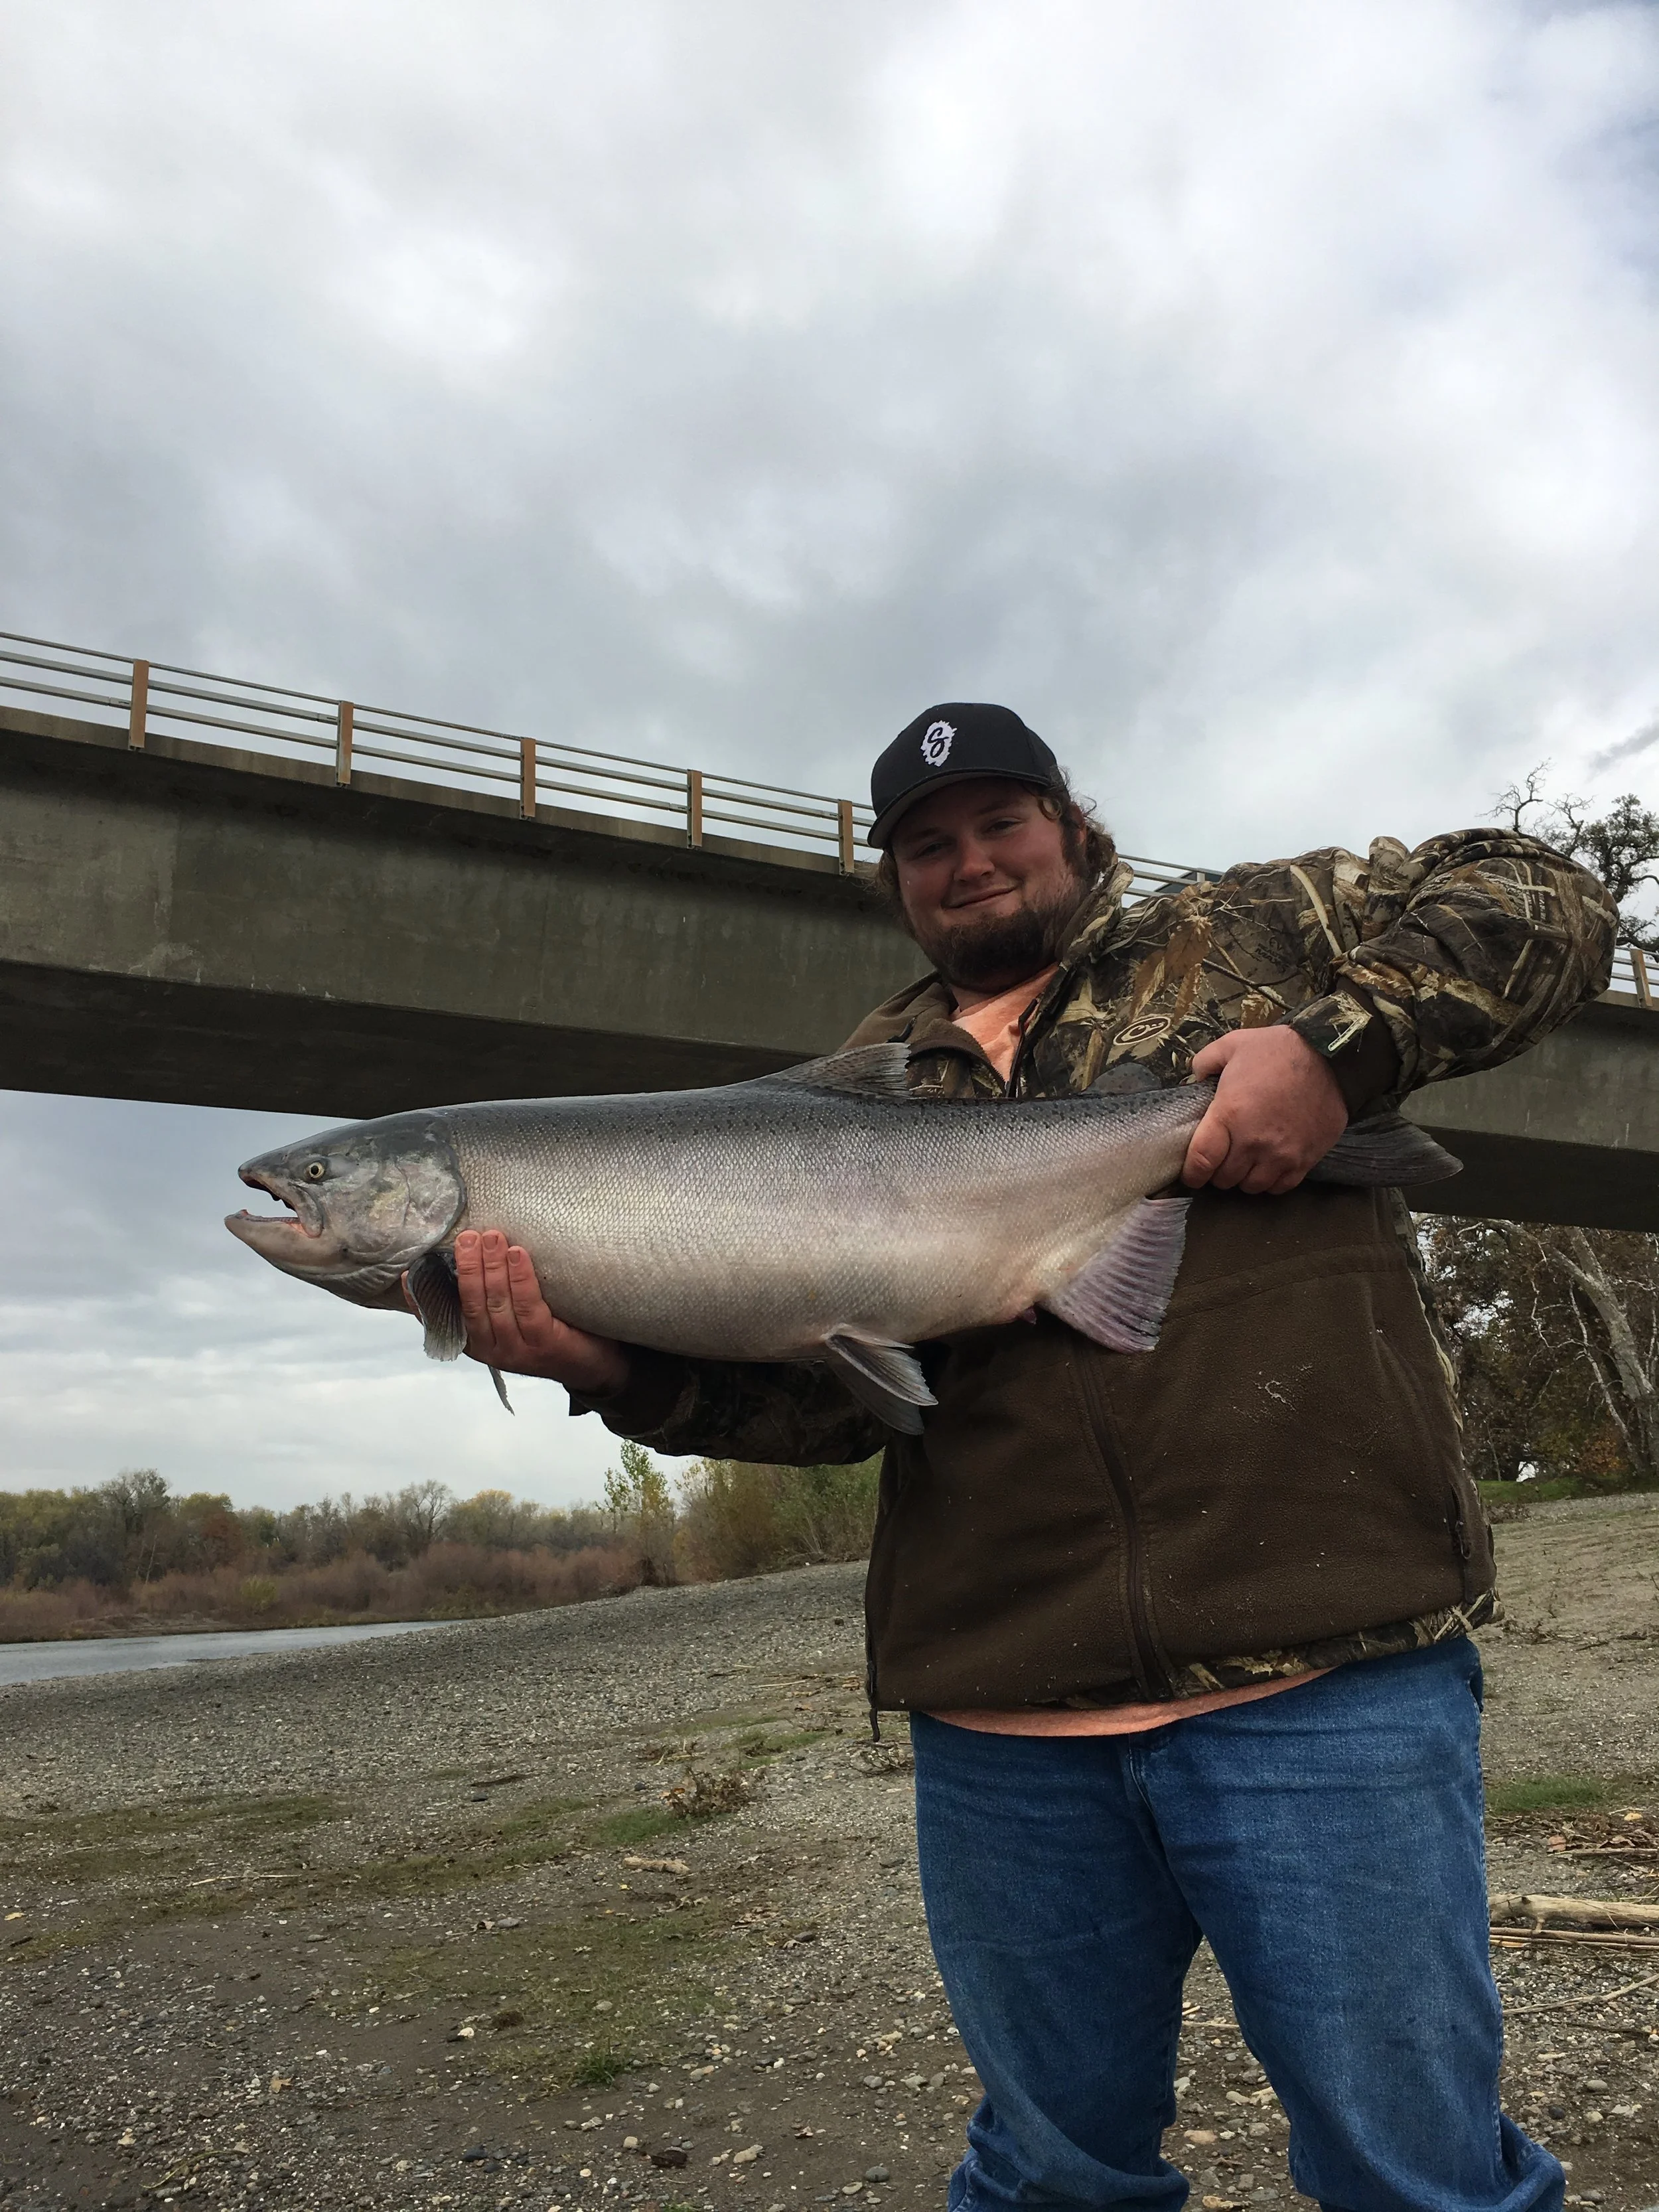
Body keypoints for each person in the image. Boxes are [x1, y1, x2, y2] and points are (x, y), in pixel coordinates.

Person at [440, 703, 1616, 2212]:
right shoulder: (854, 1088)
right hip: (1004, 1716)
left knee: (1419, 2177)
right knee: (1053, 2177)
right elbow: (834, 1408)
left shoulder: (1255, 932)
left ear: (1071, 827)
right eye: (927, 845)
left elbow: (1545, 895)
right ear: (895, 883)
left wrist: (1340, 1052)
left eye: (1002, 822)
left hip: (1325, 1678)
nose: (971, 862)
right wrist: (609, 1371)